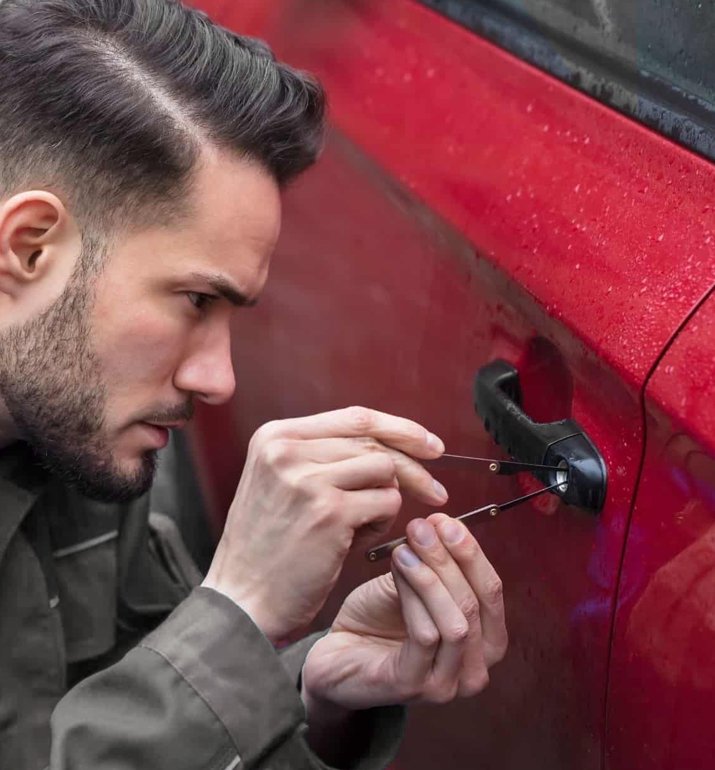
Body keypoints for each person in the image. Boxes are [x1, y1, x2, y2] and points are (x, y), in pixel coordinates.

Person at [0, 0, 508, 768]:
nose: (218, 380)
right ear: (31, 248)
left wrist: (312, 698)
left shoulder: (75, 426)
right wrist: (237, 611)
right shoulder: (88, 405)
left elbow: (131, 704)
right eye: (195, 301)